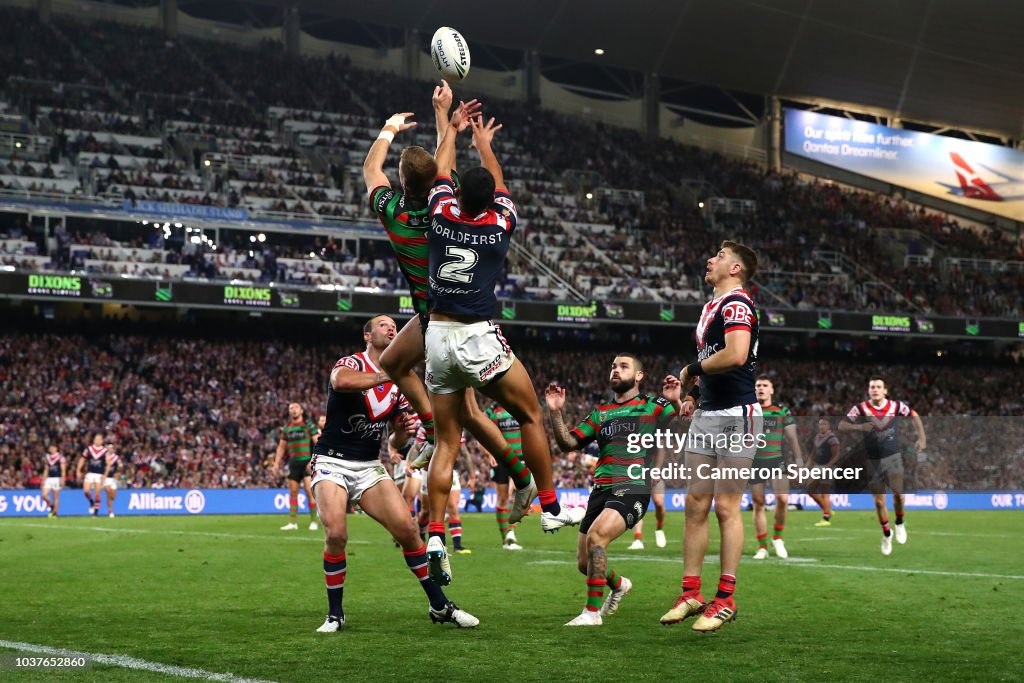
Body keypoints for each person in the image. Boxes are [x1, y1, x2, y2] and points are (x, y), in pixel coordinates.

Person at [422, 105, 583, 585]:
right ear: (490, 201)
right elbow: (498, 184)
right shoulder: (498, 225)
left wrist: (449, 129)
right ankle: (551, 506)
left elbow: (440, 171)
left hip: (436, 337)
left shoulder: (440, 212)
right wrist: (484, 143)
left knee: (447, 441)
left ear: (456, 196)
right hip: (475, 335)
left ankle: (433, 532)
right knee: (531, 413)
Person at [363, 82, 535, 524]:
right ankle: (517, 474)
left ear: (403, 183)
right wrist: (446, 119)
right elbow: (447, 162)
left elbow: (370, 170)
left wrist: (388, 129)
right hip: (450, 312)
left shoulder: (395, 213)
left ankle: (517, 473)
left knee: (458, 411)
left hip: (438, 318)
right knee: (408, 371)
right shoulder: (450, 199)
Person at [310, 315, 478, 632]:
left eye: (395, 326)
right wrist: (388, 373)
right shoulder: (354, 363)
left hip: (370, 465)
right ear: (367, 335)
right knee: (336, 533)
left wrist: (401, 432)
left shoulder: (399, 387)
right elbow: (340, 382)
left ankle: (440, 605)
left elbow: (394, 441)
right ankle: (335, 614)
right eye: (383, 325)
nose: (392, 328)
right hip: (332, 460)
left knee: (409, 532)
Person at [660, 240, 761, 633]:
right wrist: (693, 396)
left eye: (719, 256)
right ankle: (690, 593)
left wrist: (692, 369)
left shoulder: (737, 304)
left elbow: (736, 354)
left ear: (735, 268)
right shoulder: (711, 307)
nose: (710, 259)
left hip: (738, 414)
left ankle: (725, 598)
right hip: (708, 413)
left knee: (726, 507)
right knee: (695, 502)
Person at [547, 353, 678, 626]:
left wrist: (677, 401)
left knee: (597, 538)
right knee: (585, 563)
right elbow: (568, 443)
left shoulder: (654, 405)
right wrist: (556, 412)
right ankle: (619, 585)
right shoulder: (600, 413)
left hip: (632, 486)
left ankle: (592, 613)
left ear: (639, 375)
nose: (615, 370)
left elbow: (684, 426)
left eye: (623, 366)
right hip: (601, 489)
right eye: (613, 367)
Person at [839, 377, 926, 556]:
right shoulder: (861, 408)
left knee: (899, 496)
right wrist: (860, 427)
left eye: (878, 387)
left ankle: (900, 522)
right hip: (873, 460)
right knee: (879, 501)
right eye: (872, 387)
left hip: (892, 457)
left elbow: (914, 414)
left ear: (885, 390)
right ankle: (887, 534)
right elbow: (842, 425)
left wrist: (922, 437)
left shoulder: (895, 406)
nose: (875, 390)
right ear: (868, 390)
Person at [750, 376, 803, 560]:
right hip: (754, 462)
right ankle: (762, 546)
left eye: (765, 386)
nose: (761, 388)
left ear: (771, 390)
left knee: (782, 499)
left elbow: (792, 438)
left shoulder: (781, 410)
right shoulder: (748, 411)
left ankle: (777, 537)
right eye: (758, 386)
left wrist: (798, 461)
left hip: (775, 460)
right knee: (759, 504)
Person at [485, 402, 527, 550]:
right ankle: (507, 538)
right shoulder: (493, 410)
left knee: (514, 493)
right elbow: (481, 432)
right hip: (500, 457)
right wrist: (488, 453)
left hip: (519, 458)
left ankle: (510, 533)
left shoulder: (518, 405)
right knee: (502, 498)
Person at [273, 402, 320, 531]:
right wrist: (276, 463)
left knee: (309, 492)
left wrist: (313, 460)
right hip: (294, 463)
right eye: (291, 408)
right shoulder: (287, 428)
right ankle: (293, 523)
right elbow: (281, 447)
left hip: (306, 462)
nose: (293, 410)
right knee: (293, 492)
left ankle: (314, 521)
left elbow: (319, 443)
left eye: (296, 408)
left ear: (301, 411)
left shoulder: (308, 425)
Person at [808, 418, 842, 526]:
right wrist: (808, 464)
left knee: (824, 491)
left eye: (824, 424)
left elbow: (836, 455)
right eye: (820, 424)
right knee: (810, 489)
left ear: (828, 426)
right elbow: (814, 452)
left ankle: (826, 518)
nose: (822, 426)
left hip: (828, 467)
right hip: (818, 466)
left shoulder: (832, 439)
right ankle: (826, 509)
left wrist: (828, 467)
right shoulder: (817, 437)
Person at [77, 434, 110, 516]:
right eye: (96, 439)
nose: (98, 441)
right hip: (90, 473)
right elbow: (82, 459)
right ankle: (91, 501)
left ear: (102, 441)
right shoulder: (89, 449)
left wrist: (105, 475)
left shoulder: (105, 451)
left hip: (99, 474)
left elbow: (108, 464)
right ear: (94, 440)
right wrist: (78, 470)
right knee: (86, 491)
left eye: (99, 439)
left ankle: (96, 511)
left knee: (98, 493)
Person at [627, 483, 667, 550]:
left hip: (655, 477)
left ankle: (659, 528)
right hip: (638, 478)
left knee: (659, 503)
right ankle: (638, 539)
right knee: (637, 505)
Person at [40, 445, 66, 518]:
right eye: (50, 448)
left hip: (57, 478)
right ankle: (52, 506)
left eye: (53, 447)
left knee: (55, 497)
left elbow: (63, 469)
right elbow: (46, 469)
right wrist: (43, 479)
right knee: (44, 495)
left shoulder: (61, 457)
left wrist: (63, 479)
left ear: (56, 448)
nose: (51, 449)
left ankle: (54, 513)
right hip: (49, 478)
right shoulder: (48, 457)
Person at [103, 450, 121, 518]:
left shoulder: (115, 460)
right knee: (108, 494)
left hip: (112, 479)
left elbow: (119, 468)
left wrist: (118, 473)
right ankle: (111, 511)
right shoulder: (103, 460)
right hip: (105, 479)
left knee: (113, 497)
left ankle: (110, 509)